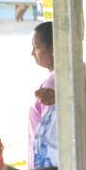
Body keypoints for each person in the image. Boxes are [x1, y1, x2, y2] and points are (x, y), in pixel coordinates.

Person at [28, 21, 56, 150]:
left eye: (36, 47)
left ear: (52, 49)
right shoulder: (58, 77)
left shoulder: (51, 84)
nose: (32, 53)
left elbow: (48, 132)